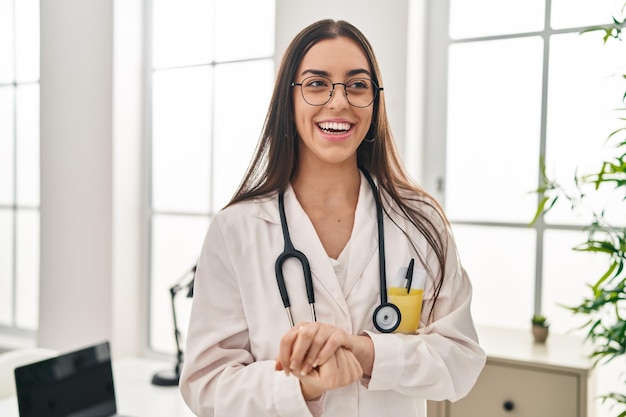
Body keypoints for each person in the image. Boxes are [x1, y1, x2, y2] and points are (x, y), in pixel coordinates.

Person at [179, 19, 485, 417]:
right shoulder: (236, 230)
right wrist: (303, 385)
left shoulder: (420, 222)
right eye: (316, 83)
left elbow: (461, 359)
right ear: (288, 101)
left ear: (374, 102)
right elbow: (206, 385)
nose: (339, 102)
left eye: (357, 85)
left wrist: (369, 353)